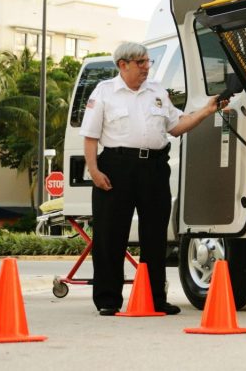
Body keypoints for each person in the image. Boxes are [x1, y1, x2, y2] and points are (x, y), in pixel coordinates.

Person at [81, 41, 227, 316]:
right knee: (110, 236)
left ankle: (154, 298)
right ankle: (108, 300)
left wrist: (206, 111)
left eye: (148, 62)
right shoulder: (105, 92)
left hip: (154, 169)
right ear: (123, 65)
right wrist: (94, 171)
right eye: (140, 62)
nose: (147, 67)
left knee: (155, 237)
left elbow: (176, 126)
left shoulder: (156, 92)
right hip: (116, 167)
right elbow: (90, 136)